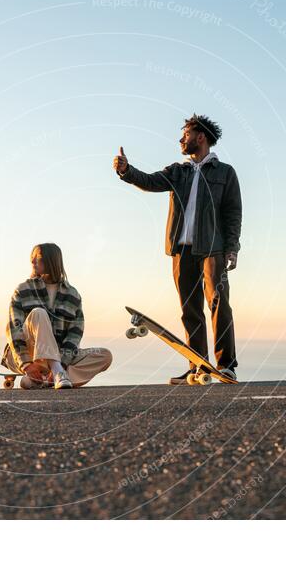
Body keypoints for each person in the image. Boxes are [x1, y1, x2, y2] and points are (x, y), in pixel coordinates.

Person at [113, 114, 242, 384]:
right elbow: (149, 181)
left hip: (213, 249)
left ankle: (226, 364)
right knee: (189, 309)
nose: (181, 139)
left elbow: (233, 213)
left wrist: (232, 248)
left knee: (219, 304)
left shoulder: (225, 173)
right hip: (181, 251)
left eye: (185, 134)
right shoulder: (177, 171)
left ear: (201, 137)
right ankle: (198, 365)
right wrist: (127, 170)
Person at [1, 243, 113, 389]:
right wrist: (27, 364)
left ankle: (45, 379)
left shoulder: (72, 295)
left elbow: (74, 335)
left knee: (104, 355)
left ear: (52, 261)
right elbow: (13, 329)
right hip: (25, 353)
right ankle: (57, 373)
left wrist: (64, 361)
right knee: (38, 313)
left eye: (38, 257)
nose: (32, 261)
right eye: (32, 257)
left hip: (59, 355)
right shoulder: (23, 289)